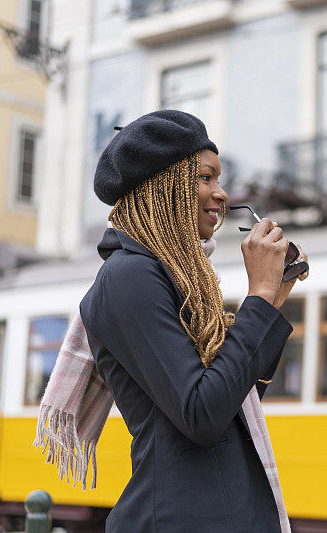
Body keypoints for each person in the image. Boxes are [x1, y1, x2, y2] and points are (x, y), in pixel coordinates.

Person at [78, 110, 306, 531]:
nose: (221, 193)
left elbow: (237, 398)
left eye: (220, 180)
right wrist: (257, 295)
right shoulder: (130, 276)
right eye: (206, 177)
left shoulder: (179, 279)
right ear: (165, 186)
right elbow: (202, 414)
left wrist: (274, 297)